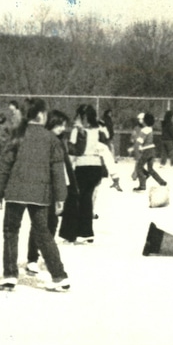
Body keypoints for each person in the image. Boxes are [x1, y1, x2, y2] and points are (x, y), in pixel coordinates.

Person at [0, 97, 70, 292]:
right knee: (43, 234)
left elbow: (4, 166)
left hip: (15, 192)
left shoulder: (17, 136)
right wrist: (61, 197)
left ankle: (10, 274)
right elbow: (58, 171)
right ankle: (59, 276)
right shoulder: (51, 139)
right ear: (41, 115)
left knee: (11, 231)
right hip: (40, 194)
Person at [24, 109, 73, 275]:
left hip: (57, 186)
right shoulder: (41, 140)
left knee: (52, 222)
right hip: (42, 186)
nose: (62, 129)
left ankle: (47, 253)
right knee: (39, 224)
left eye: (64, 126)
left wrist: (69, 185)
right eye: (59, 125)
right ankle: (32, 258)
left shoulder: (60, 141)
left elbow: (64, 165)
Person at [59, 103, 111, 244]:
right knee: (87, 199)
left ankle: (69, 233)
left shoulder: (78, 131)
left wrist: (67, 168)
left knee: (73, 199)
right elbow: (106, 143)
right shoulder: (99, 129)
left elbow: (73, 151)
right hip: (96, 168)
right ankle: (87, 232)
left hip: (82, 166)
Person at [133, 113, 165, 192]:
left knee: (139, 167)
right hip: (152, 150)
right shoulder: (150, 128)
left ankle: (142, 185)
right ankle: (162, 182)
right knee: (151, 169)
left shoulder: (144, 130)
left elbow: (140, 141)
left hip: (146, 150)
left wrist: (136, 146)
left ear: (144, 121)